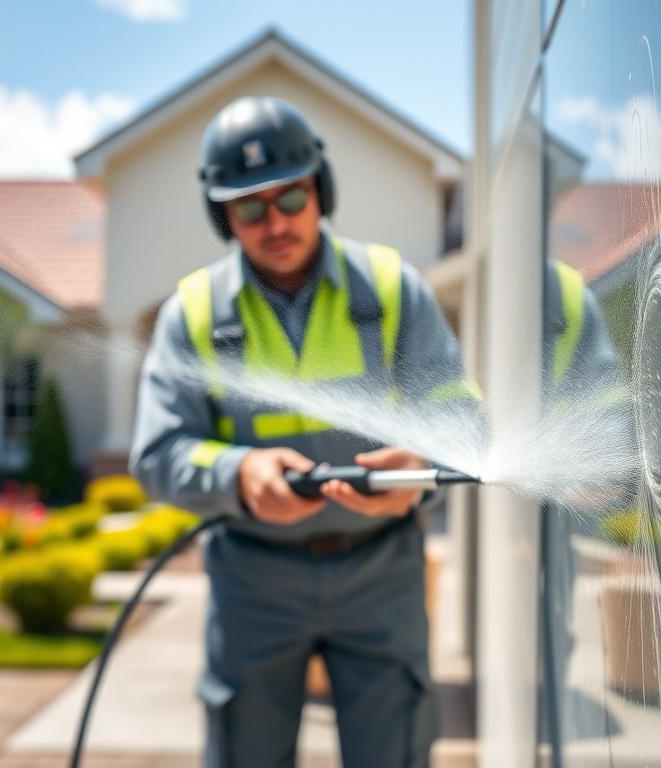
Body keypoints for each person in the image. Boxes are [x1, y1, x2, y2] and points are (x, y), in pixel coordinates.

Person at [128, 96, 480, 768]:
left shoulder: (393, 289)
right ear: (222, 215)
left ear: (321, 190)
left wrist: (417, 473)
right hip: (254, 580)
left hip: (383, 572)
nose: (275, 221)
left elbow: (462, 420)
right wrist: (238, 475)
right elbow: (157, 453)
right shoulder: (193, 316)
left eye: (290, 197)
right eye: (250, 207)